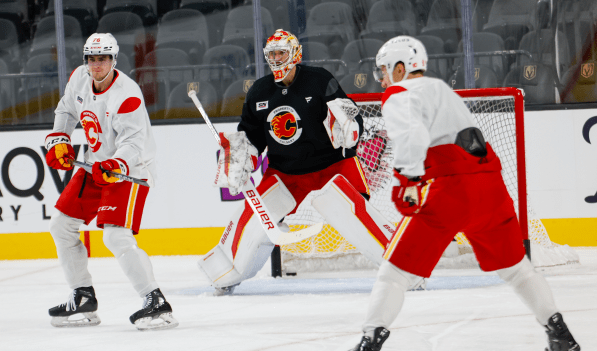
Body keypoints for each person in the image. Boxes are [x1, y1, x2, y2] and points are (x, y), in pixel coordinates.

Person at [350, 36, 580, 351]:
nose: (382, 80)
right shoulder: (443, 90)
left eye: (383, 71)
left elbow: (413, 137)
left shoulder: (398, 92)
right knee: (517, 270)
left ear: (399, 67)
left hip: (449, 189)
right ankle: (560, 334)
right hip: (490, 187)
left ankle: (370, 340)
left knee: (393, 273)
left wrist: (408, 182)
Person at [198, 29, 398, 295]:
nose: (277, 58)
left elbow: (350, 116)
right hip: (287, 172)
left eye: (282, 52)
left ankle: (401, 265)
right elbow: (251, 137)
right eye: (272, 54)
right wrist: (240, 156)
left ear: (295, 54)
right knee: (258, 217)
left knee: (351, 212)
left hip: (333, 165)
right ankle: (226, 269)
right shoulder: (259, 91)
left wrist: (349, 126)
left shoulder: (319, 80)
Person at [44, 33, 178, 331]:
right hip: (96, 165)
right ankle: (82, 295)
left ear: (113, 60)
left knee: (115, 236)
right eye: (92, 59)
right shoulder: (79, 78)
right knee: (61, 225)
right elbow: (65, 110)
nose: (96, 65)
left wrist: (115, 164)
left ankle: (156, 300)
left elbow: (133, 144)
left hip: (130, 170)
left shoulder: (126, 94)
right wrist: (58, 139)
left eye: (102, 59)